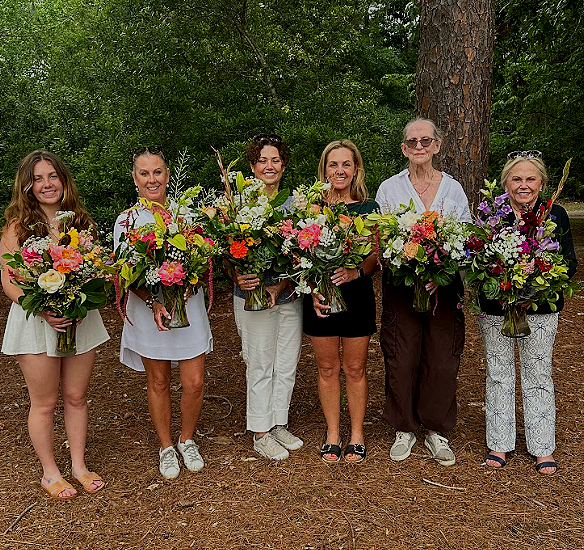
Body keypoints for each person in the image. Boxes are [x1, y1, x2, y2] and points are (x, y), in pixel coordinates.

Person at [1, 150, 108, 500]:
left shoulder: (81, 222)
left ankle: (78, 466)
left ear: (63, 179)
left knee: (77, 397)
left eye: (52, 176)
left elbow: (94, 268)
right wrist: (45, 309)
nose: (47, 184)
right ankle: (50, 473)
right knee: (44, 402)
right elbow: (10, 282)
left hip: (79, 317)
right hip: (36, 320)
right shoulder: (17, 227)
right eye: (38, 178)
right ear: (28, 186)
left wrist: (83, 295)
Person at [113, 146, 213, 479]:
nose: (152, 179)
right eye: (145, 173)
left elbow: (201, 259)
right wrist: (152, 299)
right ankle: (166, 446)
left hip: (188, 307)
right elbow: (127, 271)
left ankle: (187, 439)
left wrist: (191, 283)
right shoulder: (126, 221)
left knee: (194, 382)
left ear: (167, 175)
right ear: (135, 178)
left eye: (157, 172)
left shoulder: (186, 215)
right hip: (148, 311)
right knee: (158, 381)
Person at [375, 118, 471, 466]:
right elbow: (384, 240)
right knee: (401, 357)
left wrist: (440, 274)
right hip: (402, 287)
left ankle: (435, 430)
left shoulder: (453, 189)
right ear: (404, 148)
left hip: (443, 289)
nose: (419, 147)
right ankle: (404, 428)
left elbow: (465, 241)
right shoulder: (389, 189)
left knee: (443, 359)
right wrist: (409, 268)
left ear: (437, 145)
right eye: (412, 142)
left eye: (425, 141)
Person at [479, 151, 577, 475]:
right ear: (506, 182)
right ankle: (499, 443)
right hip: (498, 307)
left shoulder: (556, 215)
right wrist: (501, 272)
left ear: (541, 183)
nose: (523, 185)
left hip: (541, 307)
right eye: (516, 179)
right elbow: (477, 260)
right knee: (499, 372)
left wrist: (541, 269)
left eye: (530, 179)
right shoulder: (493, 216)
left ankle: (542, 446)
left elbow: (570, 263)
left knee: (538, 374)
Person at [304, 139, 379, 463]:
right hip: (320, 295)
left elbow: (375, 256)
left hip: (357, 294)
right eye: (333, 165)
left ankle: (357, 434)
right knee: (327, 367)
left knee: (355, 367)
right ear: (324, 170)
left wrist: (355, 272)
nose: (340, 170)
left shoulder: (368, 208)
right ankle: (333, 433)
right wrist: (311, 288)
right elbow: (300, 255)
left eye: (346, 164)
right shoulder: (312, 210)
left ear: (355, 169)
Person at [232, 134, 304, 461]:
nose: (269, 166)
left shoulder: (295, 205)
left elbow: (303, 253)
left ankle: (278, 422)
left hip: (288, 294)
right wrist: (234, 272)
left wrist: (279, 287)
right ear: (252, 165)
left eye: (275, 160)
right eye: (263, 160)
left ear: (283, 165)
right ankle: (260, 431)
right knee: (260, 361)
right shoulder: (238, 206)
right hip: (251, 295)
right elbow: (224, 252)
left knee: (286, 363)